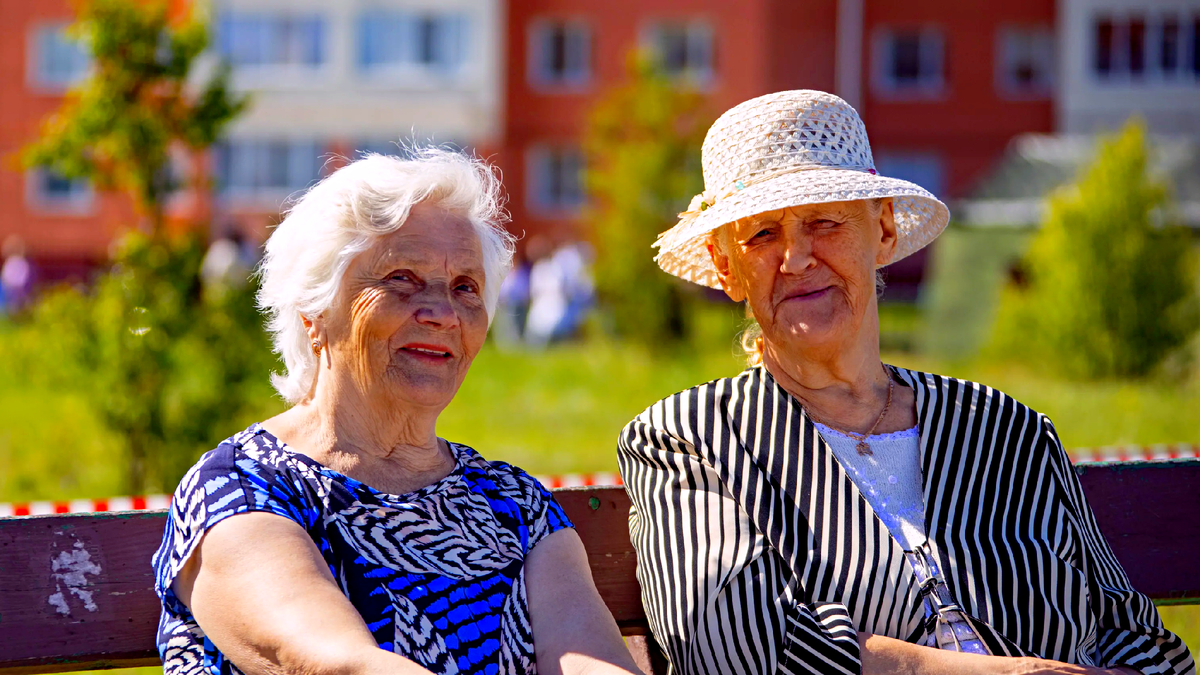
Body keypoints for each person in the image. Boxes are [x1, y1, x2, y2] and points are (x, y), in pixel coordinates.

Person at [617, 91, 1194, 675]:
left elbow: (1141, 642)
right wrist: (1008, 674)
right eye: (762, 235)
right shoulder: (690, 441)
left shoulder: (1008, 431)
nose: (796, 257)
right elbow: (734, 649)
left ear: (885, 230)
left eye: (824, 222)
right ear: (726, 268)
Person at [152, 150, 642, 675]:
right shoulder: (241, 487)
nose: (443, 314)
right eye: (402, 278)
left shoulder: (514, 504)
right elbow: (336, 665)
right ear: (315, 311)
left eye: (466, 288)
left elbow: (595, 664)